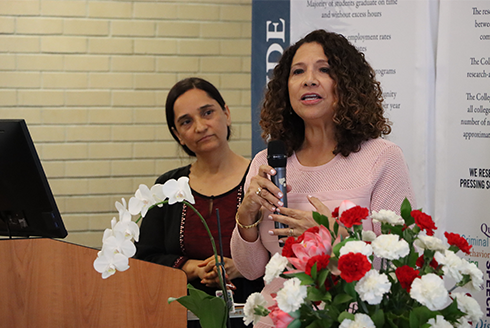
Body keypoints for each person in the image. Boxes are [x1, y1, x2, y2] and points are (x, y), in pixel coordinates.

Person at [230, 30, 415, 327]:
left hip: (352, 319)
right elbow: (250, 270)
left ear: (348, 84)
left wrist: (330, 236)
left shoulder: (381, 158)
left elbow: (396, 263)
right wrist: (245, 218)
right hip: (277, 319)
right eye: (298, 71)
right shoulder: (266, 162)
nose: (309, 80)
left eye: (324, 70)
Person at [135, 77, 264, 328]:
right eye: (186, 121)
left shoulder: (259, 179)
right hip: (182, 320)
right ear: (177, 135)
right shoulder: (167, 188)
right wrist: (193, 268)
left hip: (256, 318)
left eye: (207, 113)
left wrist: (244, 264)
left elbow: (285, 253)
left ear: (226, 114)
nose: (200, 126)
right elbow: (144, 258)